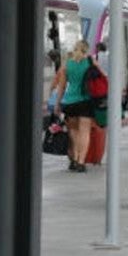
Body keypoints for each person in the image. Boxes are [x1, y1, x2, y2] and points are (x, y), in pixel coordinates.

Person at [52, 40, 98, 172]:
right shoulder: (90, 62)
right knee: (84, 132)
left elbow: (61, 86)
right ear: (86, 49)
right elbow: (103, 76)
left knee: (73, 131)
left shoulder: (67, 64)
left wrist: (57, 104)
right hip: (86, 101)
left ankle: (75, 158)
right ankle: (81, 161)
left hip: (70, 102)